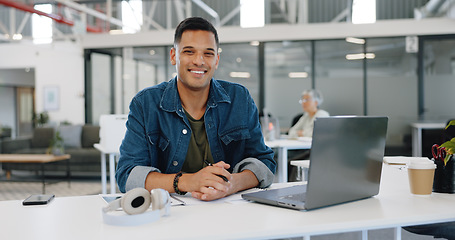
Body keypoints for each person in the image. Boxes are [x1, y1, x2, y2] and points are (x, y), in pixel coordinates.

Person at [115, 17, 276, 201]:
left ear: (216, 59)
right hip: (168, 216)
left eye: (208, 53)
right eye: (189, 52)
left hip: (228, 210)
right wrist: (188, 182)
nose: (199, 61)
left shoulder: (239, 98)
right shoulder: (146, 103)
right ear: (174, 56)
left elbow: (265, 162)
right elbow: (127, 175)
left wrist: (231, 184)